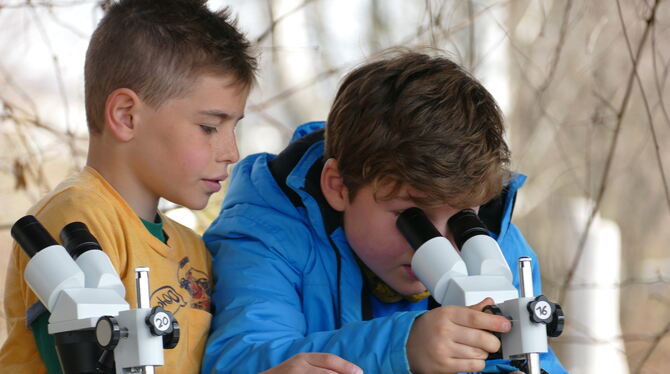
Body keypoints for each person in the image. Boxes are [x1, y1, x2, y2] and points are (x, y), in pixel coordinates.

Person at [0, 1, 361, 374]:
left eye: (233, 128)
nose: (232, 152)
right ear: (126, 116)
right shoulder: (76, 220)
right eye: (209, 127)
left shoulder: (192, 249)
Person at [201, 51, 569, 374]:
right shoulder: (267, 236)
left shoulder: (499, 247)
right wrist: (403, 349)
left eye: (461, 219)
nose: (442, 247)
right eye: (412, 218)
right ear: (339, 186)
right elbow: (242, 360)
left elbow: (535, 360)